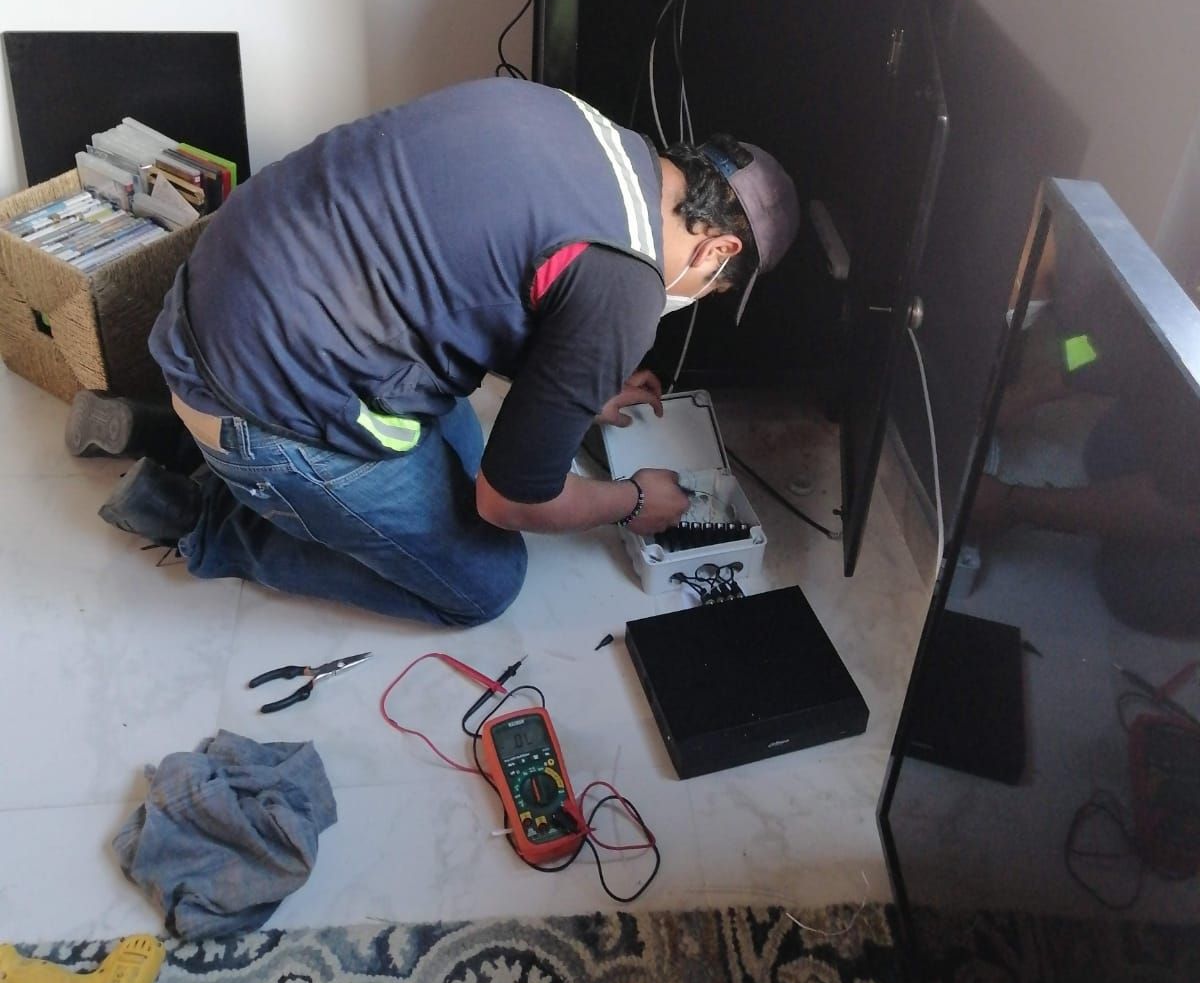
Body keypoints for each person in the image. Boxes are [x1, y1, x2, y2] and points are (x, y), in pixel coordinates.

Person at [89, 78, 799, 625]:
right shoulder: (629, 287)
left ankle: (160, 427)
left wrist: (579, 381)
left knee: (455, 450)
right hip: (257, 398)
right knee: (486, 579)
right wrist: (634, 497)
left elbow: (479, 269)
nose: (696, 292)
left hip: (209, 295)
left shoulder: (581, 123)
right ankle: (206, 520)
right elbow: (510, 499)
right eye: (712, 285)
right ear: (719, 249)